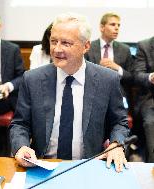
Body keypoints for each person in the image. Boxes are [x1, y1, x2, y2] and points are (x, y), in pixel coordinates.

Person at [9, 13, 129, 172]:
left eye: (65, 43)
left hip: (91, 165)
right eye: (53, 41)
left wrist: (116, 144)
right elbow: (20, 124)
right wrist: (21, 147)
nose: (57, 49)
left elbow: (119, 122)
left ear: (86, 46)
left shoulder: (107, 79)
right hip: (42, 167)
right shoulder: (32, 79)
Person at [85, 13, 133, 106]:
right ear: (102, 27)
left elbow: (131, 78)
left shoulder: (125, 49)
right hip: (93, 94)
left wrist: (118, 68)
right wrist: (98, 69)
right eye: (112, 24)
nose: (117, 28)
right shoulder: (88, 47)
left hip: (118, 95)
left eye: (118, 25)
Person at [132, 36, 154, 162]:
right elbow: (137, 75)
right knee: (151, 122)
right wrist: (151, 77)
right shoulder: (144, 45)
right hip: (150, 98)